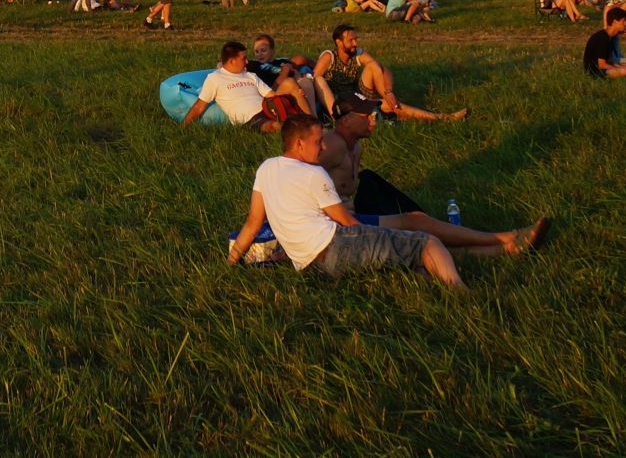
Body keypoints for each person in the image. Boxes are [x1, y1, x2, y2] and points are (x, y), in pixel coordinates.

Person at [226, 115, 465, 287]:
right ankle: (461, 295)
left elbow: (253, 223)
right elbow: (346, 223)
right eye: (318, 141)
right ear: (299, 144)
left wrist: (231, 263)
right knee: (428, 243)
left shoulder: (266, 168)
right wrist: (378, 236)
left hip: (309, 267)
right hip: (334, 247)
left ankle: (432, 272)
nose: (323, 147)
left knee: (412, 262)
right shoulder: (313, 173)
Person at [318, 91, 548, 256]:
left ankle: (507, 246)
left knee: (420, 227)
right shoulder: (331, 145)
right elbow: (294, 177)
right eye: (365, 115)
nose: (373, 118)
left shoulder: (355, 147)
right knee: (416, 228)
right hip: (335, 229)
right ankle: (508, 238)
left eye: (372, 113)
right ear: (346, 121)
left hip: (352, 219)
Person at [312, 23, 467, 121]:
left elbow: (381, 69)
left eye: (355, 39)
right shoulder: (329, 57)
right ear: (339, 42)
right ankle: (338, 117)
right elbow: (315, 82)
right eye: (351, 40)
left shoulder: (357, 53)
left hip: (356, 97)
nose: (355, 43)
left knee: (374, 67)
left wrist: (389, 92)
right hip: (339, 102)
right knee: (318, 79)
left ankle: (443, 118)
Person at [182, 41, 314, 131]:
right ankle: (294, 128)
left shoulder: (250, 75)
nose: (247, 61)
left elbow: (272, 95)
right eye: (243, 58)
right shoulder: (215, 78)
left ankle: (312, 123)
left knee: (290, 82)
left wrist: (294, 91)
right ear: (232, 61)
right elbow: (199, 106)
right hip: (250, 118)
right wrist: (184, 128)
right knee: (271, 126)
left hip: (267, 107)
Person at [583, 8, 626, 78]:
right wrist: (621, 68)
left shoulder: (613, 37)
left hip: (609, 65)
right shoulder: (602, 38)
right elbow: (602, 65)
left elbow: (614, 60)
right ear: (614, 22)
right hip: (596, 71)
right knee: (624, 71)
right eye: (623, 21)